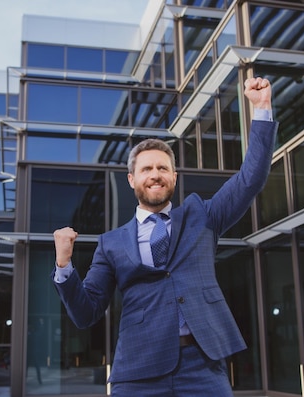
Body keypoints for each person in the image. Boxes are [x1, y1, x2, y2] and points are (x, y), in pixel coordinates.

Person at [51, 76, 278, 396]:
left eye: (162, 168)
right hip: (138, 370)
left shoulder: (203, 216)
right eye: (146, 169)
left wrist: (262, 108)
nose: (155, 174)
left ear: (173, 175)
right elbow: (86, 313)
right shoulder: (112, 243)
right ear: (132, 179)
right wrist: (64, 265)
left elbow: (250, 179)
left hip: (203, 366)